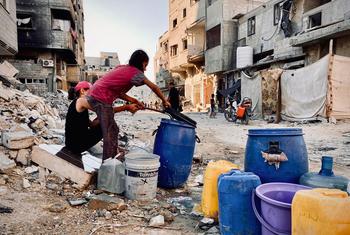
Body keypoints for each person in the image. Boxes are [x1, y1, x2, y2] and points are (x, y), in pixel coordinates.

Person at [86, 49, 171, 160]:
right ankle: (108, 164)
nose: (145, 68)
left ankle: (112, 155)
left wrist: (133, 100)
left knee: (113, 129)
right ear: (141, 63)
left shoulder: (122, 68)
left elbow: (118, 92)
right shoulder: (136, 73)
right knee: (110, 132)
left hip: (95, 93)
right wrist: (164, 100)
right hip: (101, 97)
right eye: (145, 65)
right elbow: (153, 87)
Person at [65, 81, 139, 155]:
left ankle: (114, 150)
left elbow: (91, 125)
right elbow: (105, 110)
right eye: (91, 91)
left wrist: (101, 118)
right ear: (82, 91)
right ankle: (112, 152)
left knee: (105, 118)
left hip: (72, 144)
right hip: (76, 145)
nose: (93, 94)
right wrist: (125, 107)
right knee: (108, 123)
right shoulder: (80, 101)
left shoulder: (78, 105)